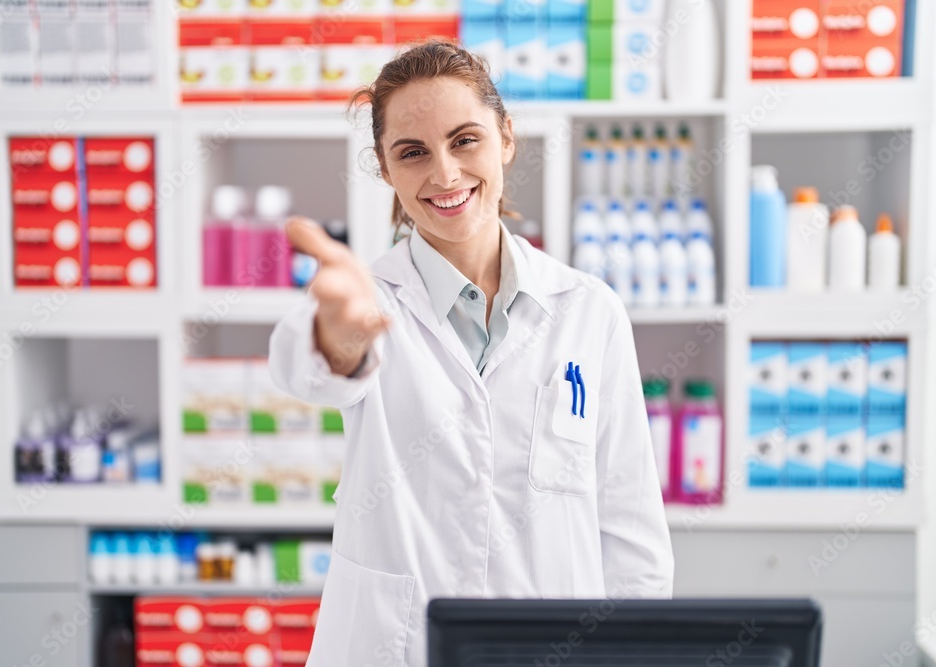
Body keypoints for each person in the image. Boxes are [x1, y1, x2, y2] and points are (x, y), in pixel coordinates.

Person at [269, 38, 673, 667]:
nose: (445, 174)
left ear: (506, 138)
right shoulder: (372, 301)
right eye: (412, 153)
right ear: (384, 168)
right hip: (397, 649)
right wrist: (339, 336)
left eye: (465, 140)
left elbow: (631, 529)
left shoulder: (588, 311)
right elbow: (310, 369)